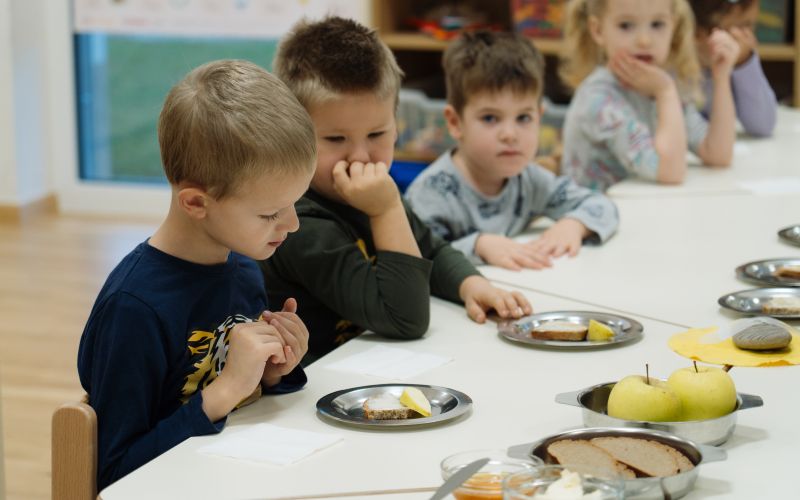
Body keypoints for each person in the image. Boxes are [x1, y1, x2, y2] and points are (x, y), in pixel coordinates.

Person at [77, 60, 317, 489]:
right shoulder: (135, 309)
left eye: (294, 202)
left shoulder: (243, 270)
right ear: (195, 203)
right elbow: (112, 475)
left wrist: (274, 371)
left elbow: (245, 400)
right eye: (269, 213)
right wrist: (223, 392)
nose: (292, 224)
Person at [261, 17, 532, 363]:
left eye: (376, 135)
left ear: (395, 124)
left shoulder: (364, 190)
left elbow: (428, 245)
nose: (360, 156)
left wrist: (470, 284)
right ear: (292, 134)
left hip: (368, 363)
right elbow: (406, 318)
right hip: (312, 387)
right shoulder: (299, 224)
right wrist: (386, 209)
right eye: (335, 139)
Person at [404, 31, 619, 271]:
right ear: (454, 122)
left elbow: (602, 206)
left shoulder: (530, 179)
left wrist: (575, 224)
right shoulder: (431, 193)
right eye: (490, 118)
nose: (510, 134)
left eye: (523, 117)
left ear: (540, 117)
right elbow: (413, 258)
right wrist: (479, 245)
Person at [559, 0, 739, 192]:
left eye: (657, 25)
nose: (644, 40)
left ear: (673, 26)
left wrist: (721, 77)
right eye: (626, 25)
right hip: (595, 217)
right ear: (598, 31)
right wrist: (665, 93)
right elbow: (670, 171)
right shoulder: (598, 98)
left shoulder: (660, 83)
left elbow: (717, 153)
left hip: (643, 206)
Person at [689, 0, 777, 137]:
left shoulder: (739, 62)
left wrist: (744, 63)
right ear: (698, 33)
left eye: (752, 26)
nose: (749, 38)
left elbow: (763, 126)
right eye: (742, 26)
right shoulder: (676, 68)